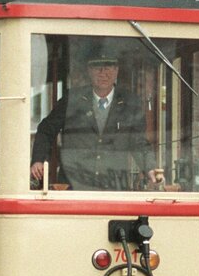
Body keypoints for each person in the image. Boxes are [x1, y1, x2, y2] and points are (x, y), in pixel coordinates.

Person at [31, 46, 160, 191]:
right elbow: (45, 130)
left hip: (113, 188)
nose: (103, 73)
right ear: (89, 71)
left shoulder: (130, 103)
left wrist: (150, 168)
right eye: (97, 67)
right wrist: (38, 160)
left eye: (108, 67)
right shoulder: (72, 100)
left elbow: (139, 142)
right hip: (74, 188)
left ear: (116, 70)